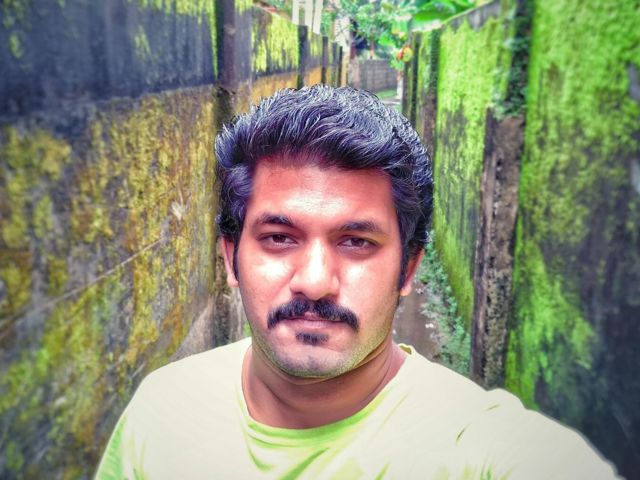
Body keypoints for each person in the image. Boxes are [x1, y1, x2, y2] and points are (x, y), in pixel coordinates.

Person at [96, 86, 618, 479]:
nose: (315, 282)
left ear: (408, 269)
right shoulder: (161, 412)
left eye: (356, 242)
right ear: (231, 259)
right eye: (278, 238)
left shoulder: (479, 447)